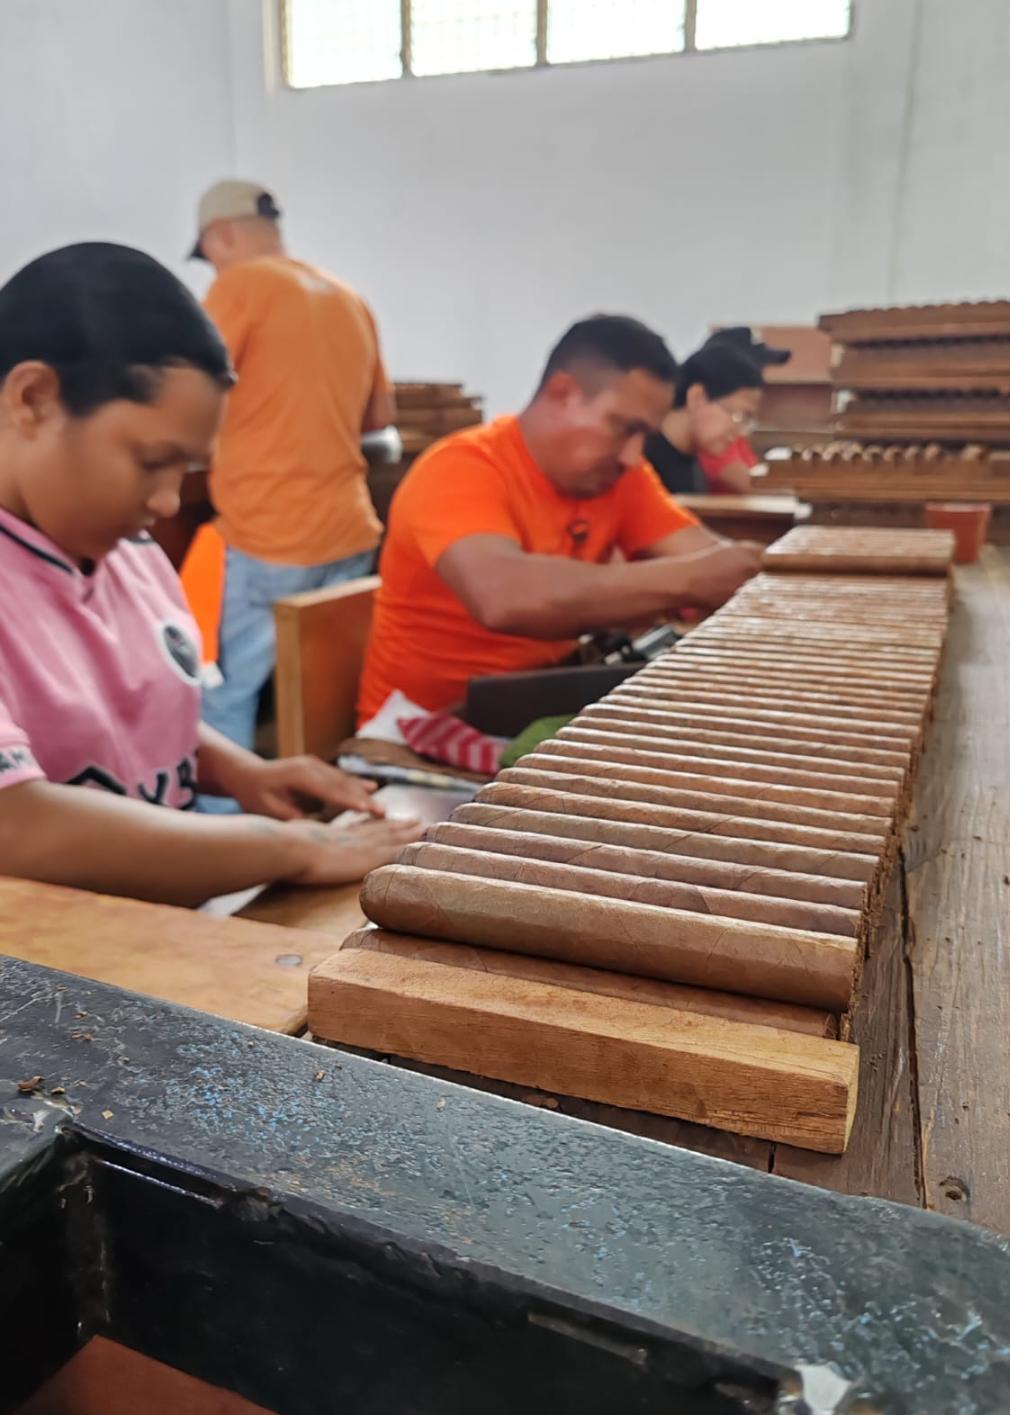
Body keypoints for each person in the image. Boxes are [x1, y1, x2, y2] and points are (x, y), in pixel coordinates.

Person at [0, 243, 421, 907]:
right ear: (34, 399)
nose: (170, 500)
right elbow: (16, 825)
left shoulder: (129, 551)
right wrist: (291, 847)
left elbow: (126, 708)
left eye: (186, 470)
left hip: (160, 932)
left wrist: (244, 773)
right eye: (151, 461)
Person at [359, 315, 762, 721]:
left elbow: (710, 560)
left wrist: (739, 571)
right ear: (562, 393)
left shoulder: (621, 477)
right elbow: (503, 597)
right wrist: (687, 582)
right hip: (422, 729)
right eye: (624, 428)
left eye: (645, 436)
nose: (633, 455)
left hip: (538, 706)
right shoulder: (462, 468)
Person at [190, 179, 394, 752]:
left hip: (271, 533)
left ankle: (225, 809)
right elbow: (379, 417)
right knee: (325, 698)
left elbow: (189, 395)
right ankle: (326, 793)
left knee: (226, 695)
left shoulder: (238, 286)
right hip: (349, 531)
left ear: (220, 236)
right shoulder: (347, 297)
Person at [643, 342, 763, 495]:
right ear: (697, 397)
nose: (739, 432)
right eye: (737, 415)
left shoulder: (694, 468)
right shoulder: (641, 459)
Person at [698, 327, 792, 493]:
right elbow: (751, 485)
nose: (759, 379)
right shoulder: (712, 432)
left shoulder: (733, 428)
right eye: (753, 370)